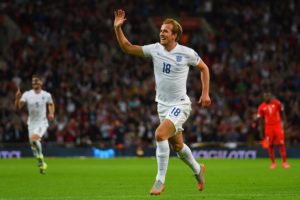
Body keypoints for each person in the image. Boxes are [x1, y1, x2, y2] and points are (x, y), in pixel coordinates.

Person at [114, 9, 211, 195]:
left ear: (175, 35)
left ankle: (160, 180)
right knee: (177, 147)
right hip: (163, 106)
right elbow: (127, 47)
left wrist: (205, 93)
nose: (161, 33)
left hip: (181, 104)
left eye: (166, 31)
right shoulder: (155, 49)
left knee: (159, 135)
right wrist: (118, 29)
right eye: (161, 30)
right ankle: (198, 170)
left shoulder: (186, 53)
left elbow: (204, 68)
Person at [15, 74, 55, 174]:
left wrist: (51, 113)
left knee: (34, 139)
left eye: (36, 81)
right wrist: (17, 98)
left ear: (41, 83)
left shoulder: (46, 95)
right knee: (33, 147)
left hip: (42, 122)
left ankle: (41, 159)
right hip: (31, 123)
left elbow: (51, 104)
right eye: (33, 82)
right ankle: (42, 165)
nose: (34, 83)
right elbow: (18, 106)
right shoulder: (27, 94)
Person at [257, 91, 290, 169]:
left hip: (277, 125)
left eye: (267, 96)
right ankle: (273, 163)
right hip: (268, 127)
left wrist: (285, 122)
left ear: (270, 96)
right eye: (264, 96)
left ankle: (284, 163)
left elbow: (282, 112)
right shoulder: (261, 107)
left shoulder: (277, 103)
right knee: (270, 145)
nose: (265, 98)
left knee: (281, 144)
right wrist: (261, 131)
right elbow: (260, 120)